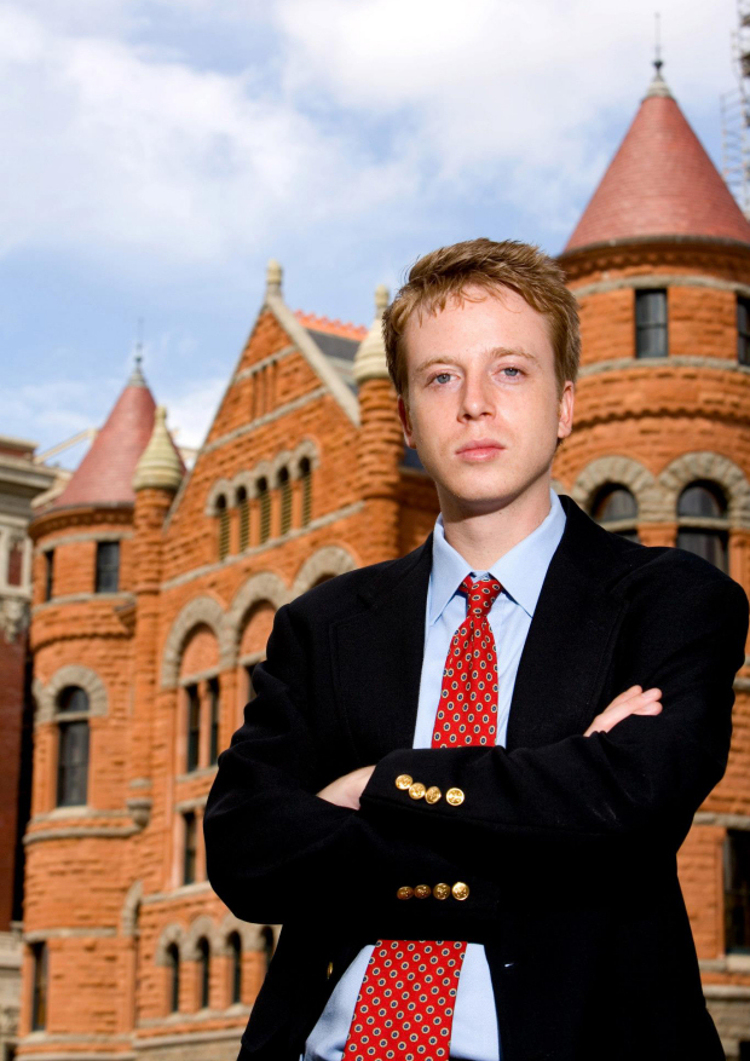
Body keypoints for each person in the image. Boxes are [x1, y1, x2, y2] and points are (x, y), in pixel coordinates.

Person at [204, 238, 749, 1061]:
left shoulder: (674, 598)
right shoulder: (323, 626)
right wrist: (549, 796)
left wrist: (378, 784)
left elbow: (629, 804)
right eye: (441, 376)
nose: (474, 404)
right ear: (407, 419)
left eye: (511, 370)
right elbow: (247, 851)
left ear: (565, 405)